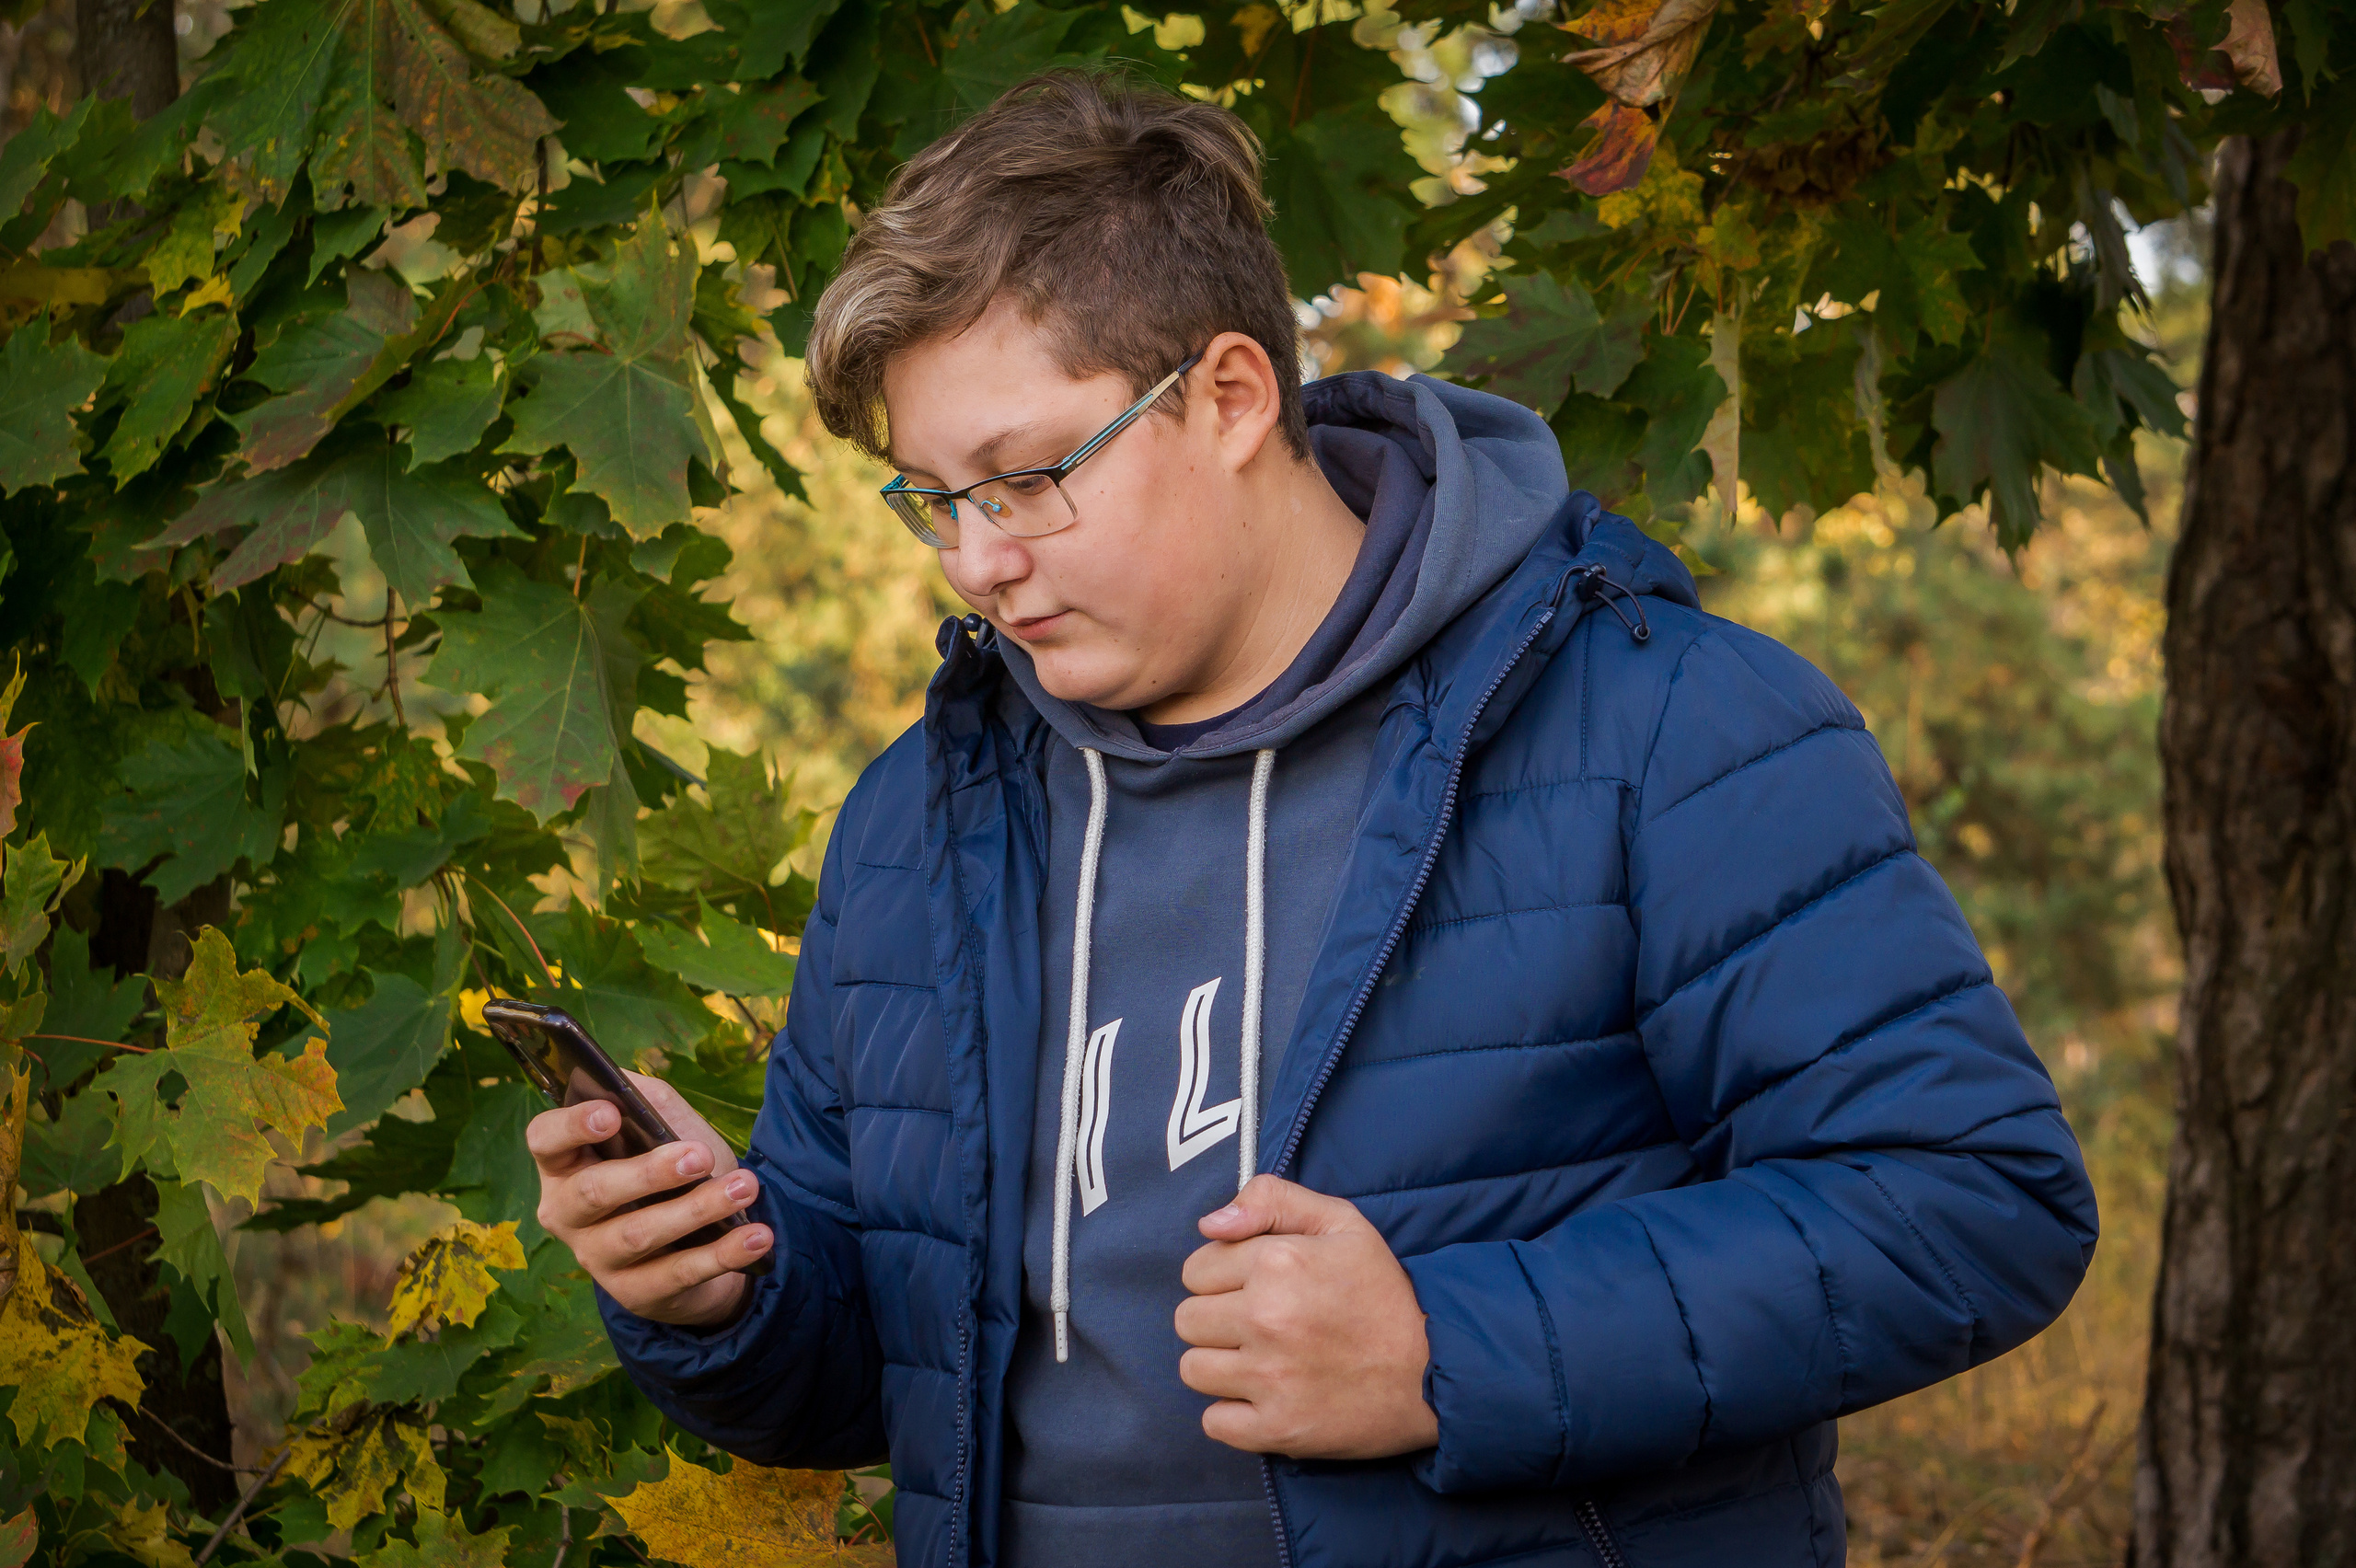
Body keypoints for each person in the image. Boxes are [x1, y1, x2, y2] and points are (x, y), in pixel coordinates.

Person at [526, 71, 2097, 1568]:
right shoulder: (918, 817)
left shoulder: (1667, 725)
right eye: (933, 499)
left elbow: (1972, 1199)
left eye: (1022, 478)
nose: (975, 563)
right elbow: (877, 1385)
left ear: (1225, 394)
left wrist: (1446, 1353)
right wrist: (710, 1292)